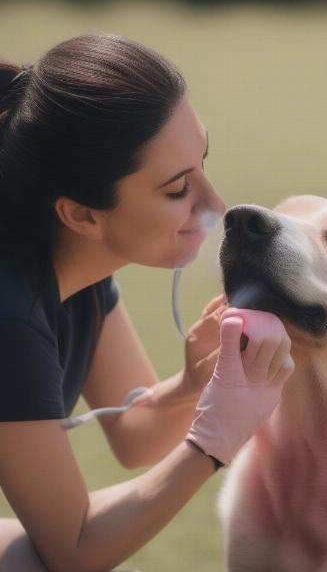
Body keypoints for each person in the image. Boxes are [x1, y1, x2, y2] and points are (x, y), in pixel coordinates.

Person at [0, 33, 294, 572]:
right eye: (178, 188)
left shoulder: (73, 270)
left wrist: (194, 385)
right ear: (82, 215)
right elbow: (75, 547)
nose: (215, 204)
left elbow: (134, 438)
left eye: (203, 161)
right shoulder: (10, 319)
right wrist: (212, 443)